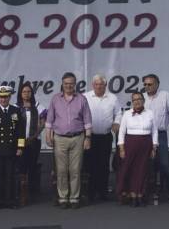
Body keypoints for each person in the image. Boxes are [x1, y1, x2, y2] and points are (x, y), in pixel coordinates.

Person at [44, 72, 93, 208]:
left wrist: (88, 138)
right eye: (66, 83)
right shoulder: (55, 99)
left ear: (75, 84)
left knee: (75, 169)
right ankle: (63, 197)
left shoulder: (82, 99)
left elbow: (87, 120)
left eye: (71, 83)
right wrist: (48, 136)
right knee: (61, 170)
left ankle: (74, 198)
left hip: (78, 138)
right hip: (59, 138)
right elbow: (49, 120)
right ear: (62, 84)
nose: (68, 86)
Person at [0, 85, 24, 209]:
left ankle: (11, 201)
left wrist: (20, 147)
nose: (3, 100)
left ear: (10, 97)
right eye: (1, 97)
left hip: (12, 149)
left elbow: (20, 131)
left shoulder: (15, 111)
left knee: (11, 176)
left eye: (5, 97)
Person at [142, 74, 169, 201]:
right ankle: (149, 191)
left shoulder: (165, 95)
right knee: (148, 164)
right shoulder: (142, 97)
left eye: (150, 84)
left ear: (157, 84)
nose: (147, 87)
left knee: (164, 164)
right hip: (145, 135)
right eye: (145, 84)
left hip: (161, 134)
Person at [117, 92, 158, 207]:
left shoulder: (150, 113)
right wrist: (121, 148)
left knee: (142, 170)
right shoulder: (127, 114)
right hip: (130, 144)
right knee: (130, 170)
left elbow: (154, 131)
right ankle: (132, 195)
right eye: (134, 99)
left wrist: (154, 147)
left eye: (139, 99)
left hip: (146, 145)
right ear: (132, 102)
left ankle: (140, 194)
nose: (137, 101)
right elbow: (121, 132)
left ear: (143, 101)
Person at [84, 75, 120, 202]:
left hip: (105, 137)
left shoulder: (113, 98)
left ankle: (103, 192)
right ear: (93, 85)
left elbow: (118, 114)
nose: (99, 86)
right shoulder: (86, 97)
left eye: (101, 84)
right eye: (96, 84)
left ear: (105, 85)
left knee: (104, 165)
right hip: (90, 137)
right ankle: (91, 192)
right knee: (90, 165)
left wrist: (116, 123)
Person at [15, 83, 43, 198]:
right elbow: (13, 124)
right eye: (24, 92)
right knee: (20, 166)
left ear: (32, 93)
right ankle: (20, 191)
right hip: (19, 142)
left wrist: (35, 134)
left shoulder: (37, 105)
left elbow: (43, 121)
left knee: (32, 165)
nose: (26, 94)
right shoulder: (15, 107)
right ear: (20, 94)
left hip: (34, 141)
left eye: (29, 92)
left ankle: (32, 191)